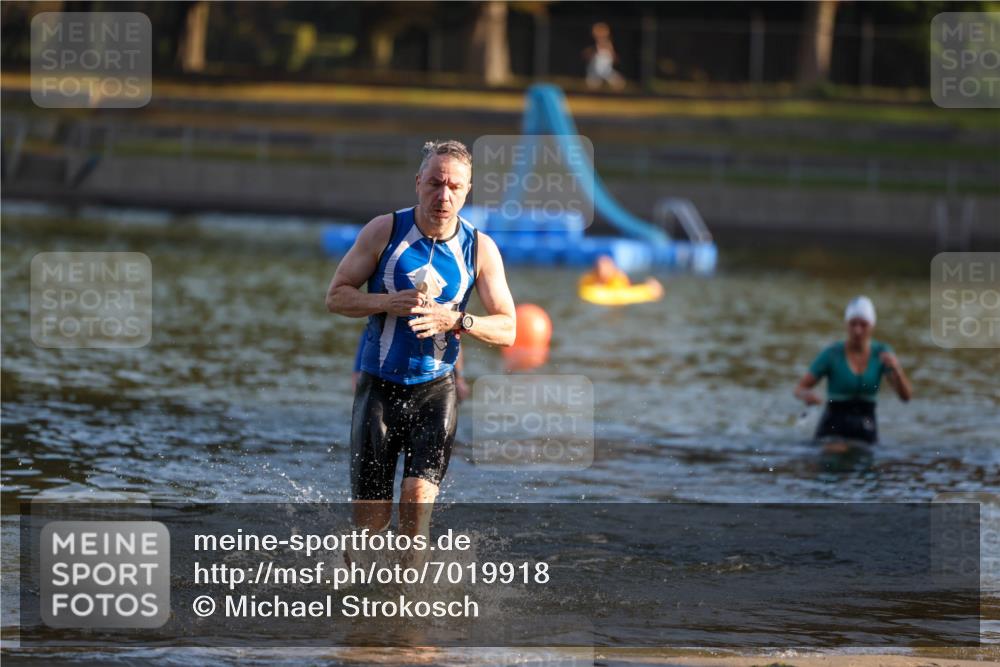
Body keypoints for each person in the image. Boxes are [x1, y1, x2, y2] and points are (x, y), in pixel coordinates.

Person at [326, 139, 515, 544]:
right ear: (418, 183)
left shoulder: (480, 249)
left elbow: (509, 328)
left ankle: (409, 602)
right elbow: (336, 295)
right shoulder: (385, 231)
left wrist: (457, 320)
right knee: (369, 526)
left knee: (416, 505)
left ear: (467, 191)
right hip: (379, 387)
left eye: (454, 186)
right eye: (434, 183)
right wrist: (385, 302)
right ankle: (355, 598)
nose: (443, 195)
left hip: (436, 391)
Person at [794, 296, 912, 446]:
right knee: (836, 452)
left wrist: (898, 371)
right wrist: (808, 395)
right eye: (853, 324)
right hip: (834, 423)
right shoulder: (832, 354)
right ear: (846, 325)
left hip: (866, 422)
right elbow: (799, 389)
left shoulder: (882, 354)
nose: (857, 330)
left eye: (863, 324)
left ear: (872, 326)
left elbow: (906, 397)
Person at [352, 329, 471, 402]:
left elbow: (454, 342)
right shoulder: (380, 326)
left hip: (436, 386)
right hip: (385, 386)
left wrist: (460, 379)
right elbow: (357, 377)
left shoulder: (438, 313)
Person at [579, 255, 663, 297]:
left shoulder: (618, 279)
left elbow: (620, 294)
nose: (602, 272)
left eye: (604, 269)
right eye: (599, 269)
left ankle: (652, 284)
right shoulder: (588, 278)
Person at [583, 22, 625, 91]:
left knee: (604, 72)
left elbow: (609, 51)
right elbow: (592, 51)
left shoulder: (606, 41)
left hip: (604, 60)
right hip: (597, 61)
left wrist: (614, 56)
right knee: (593, 75)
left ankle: (618, 81)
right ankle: (593, 90)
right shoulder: (595, 42)